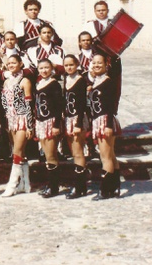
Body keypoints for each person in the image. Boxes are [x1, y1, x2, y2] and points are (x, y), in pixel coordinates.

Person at [0, 54, 34, 197]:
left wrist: (30, 126)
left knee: (17, 152)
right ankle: (25, 184)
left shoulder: (25, 80)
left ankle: (12, 185)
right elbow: (4, 104)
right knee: (21, 153)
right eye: (9, 63)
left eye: (14, 62)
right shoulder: (6, 81)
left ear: (20, 64)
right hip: (11, 119)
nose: (11, 65)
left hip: (22, 119)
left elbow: (29, 105)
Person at [89, 54, 121, 199]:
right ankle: (114, 187)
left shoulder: (108, 82)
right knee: (110, 155)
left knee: (105, 156)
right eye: (94, 63)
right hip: (98, 120)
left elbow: (109, 106)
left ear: (105, 64)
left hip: (105, 120)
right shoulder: (96, 81)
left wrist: (108, 125)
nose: (96, 65)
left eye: (99, 63)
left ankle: (105, 189)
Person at [34, 58, 63, 198]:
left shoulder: (55, 84)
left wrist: (56, 125)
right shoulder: (39, 83)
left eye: (47, 68)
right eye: (41, 68)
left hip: (51, 122)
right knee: (46, 155)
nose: (44, 70)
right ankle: (51, 183)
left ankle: (54, 187)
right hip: (41, 122)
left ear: (51, 68)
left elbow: (59, 107)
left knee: (51, 154)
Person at [62, 54, 89, 199]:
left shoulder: (80, 81)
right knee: (73, 152)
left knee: (78, 152)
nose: (69, 68)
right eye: (66, 65)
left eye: (71, 65)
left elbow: (81, 104)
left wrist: (78, 124)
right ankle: (79, 184)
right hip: (68, 118)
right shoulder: (66, 79)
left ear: (77, 64)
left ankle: (80, 186)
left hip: (77, 119)